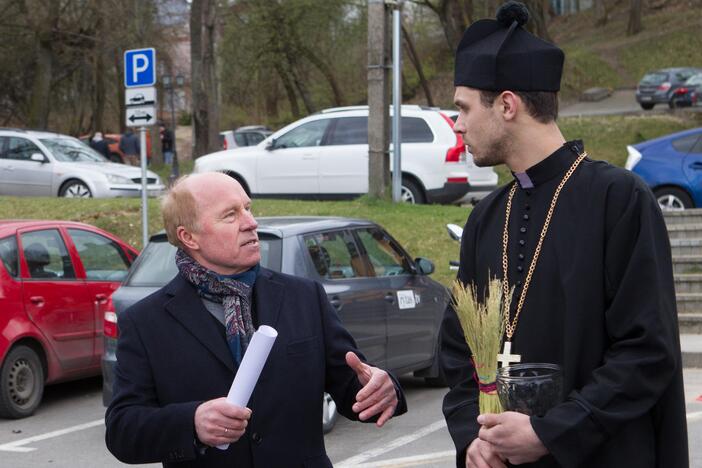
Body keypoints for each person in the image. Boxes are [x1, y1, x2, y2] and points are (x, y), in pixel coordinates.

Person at [440, 2, 688, 467]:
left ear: (507, 105)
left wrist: (550, 432)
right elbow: (458, 352)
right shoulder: (486, 217)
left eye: (463, 108)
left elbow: (646, 351)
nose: (458, 125)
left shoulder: (619, 199)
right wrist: (470, 437)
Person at [105, 172, 407, 468]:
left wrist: (382, 389)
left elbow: (353, 386)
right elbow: (122, 430)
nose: (251, 223)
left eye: (247, 208)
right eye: (230, 215)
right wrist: (192, 422)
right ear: (189, 237)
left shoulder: (303, 297)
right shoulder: (146, 322)